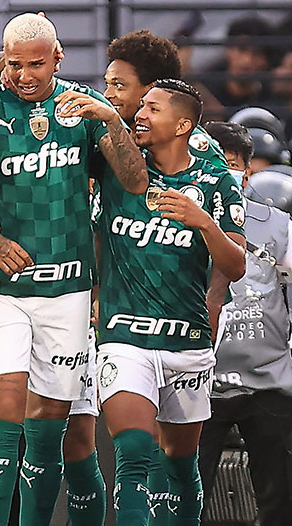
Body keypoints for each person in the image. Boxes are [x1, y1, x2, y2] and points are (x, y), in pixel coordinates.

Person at [0, 12, 147, 526]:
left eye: (36, 64)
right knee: (1, 413)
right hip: (1, 286)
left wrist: (109, 119)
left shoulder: (85, 108)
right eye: (14, 64)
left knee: (51, 424)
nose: (23, 75)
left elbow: (134, 181)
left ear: (58, 59)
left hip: (69, 288)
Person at [94, 79, 246, 525]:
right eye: (140, 106)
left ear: (183, 125)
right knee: (134, 452)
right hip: (125, 336)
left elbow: (235, 266)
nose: (140, 113)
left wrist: (204, 223)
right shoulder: (121, 168)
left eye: (152, 108)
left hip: (187, 339)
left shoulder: (216, 181)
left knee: (181, 462)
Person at [198, 121, 292, 526]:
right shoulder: (175, 218)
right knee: (187, 492)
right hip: (197, 381)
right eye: (210, 161)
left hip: (270, 381)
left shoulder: (277, 224)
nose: (222, 171)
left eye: (231, 162)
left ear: (247, 169)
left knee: (280, 495)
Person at [104, 29, 227, 170]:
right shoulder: (103, 136)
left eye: (119, 85)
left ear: (153, 90)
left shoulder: (198, 149)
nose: (107, 94)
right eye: (107, 84)